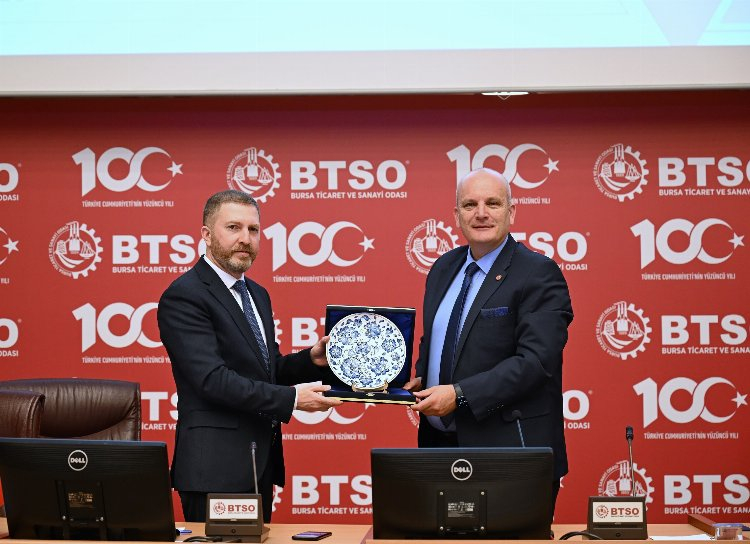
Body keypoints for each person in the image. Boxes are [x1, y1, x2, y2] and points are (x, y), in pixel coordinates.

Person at [157, 190, 342, 523]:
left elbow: (265, 371)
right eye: (233, 227)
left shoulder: (256, 294)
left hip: (258, 463)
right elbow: (212, 380)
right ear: (206, 235)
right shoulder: (184, 295)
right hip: (214, 470)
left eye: (253, 229)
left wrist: (310, 360)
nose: (245, 238)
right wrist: (291, 399)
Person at [405, 167, 573, 506]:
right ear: (457, 215)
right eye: (470, 205)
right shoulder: (442, 268)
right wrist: (423, 374)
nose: (481, 213)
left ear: (511, 212)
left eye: (492, 203)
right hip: (439, 449)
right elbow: (436, 336)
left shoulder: (538, 273)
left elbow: (536, 362)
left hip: (509, 452)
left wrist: (459, 395)